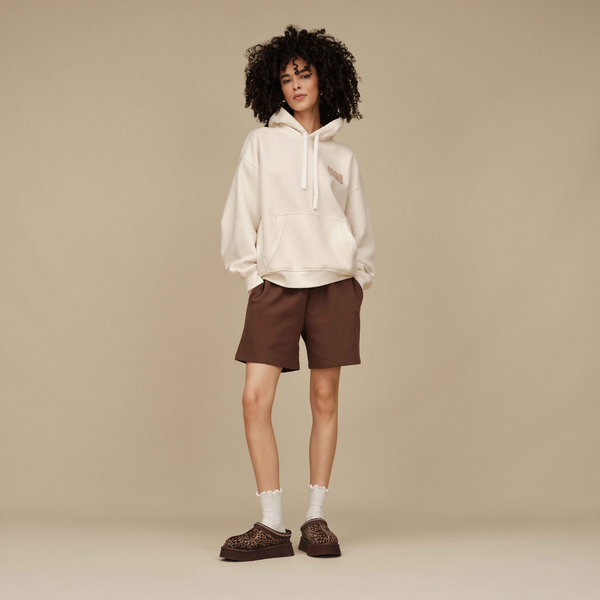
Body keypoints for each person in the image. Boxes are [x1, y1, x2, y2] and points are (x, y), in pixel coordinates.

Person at [218, 25, 375, 561]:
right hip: (276, 284)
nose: (296, 85)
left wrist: (358, 280)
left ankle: (315, 519)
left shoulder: (343, 158)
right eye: (286, 79)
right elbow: (240, 213)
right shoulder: (261, 143)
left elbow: (361, 230)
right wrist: (252, 276)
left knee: (325, 399)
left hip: (334, 287)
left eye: (304, 74)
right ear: (276, 87)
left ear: (324, 79)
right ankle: (271, 525)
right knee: (254, 398)